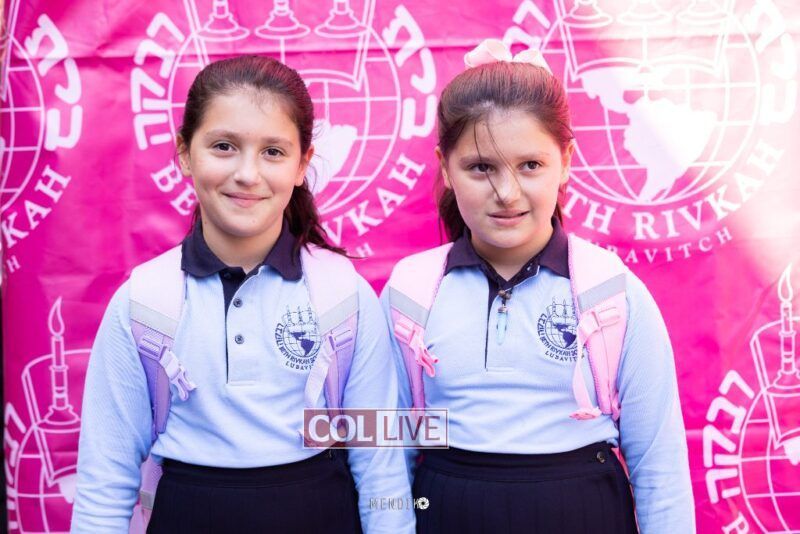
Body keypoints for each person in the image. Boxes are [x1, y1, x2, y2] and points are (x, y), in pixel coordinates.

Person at [71, 55, 414, 533]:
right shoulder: (143, 300)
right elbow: (104, 483)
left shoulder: (344, 295)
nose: (248, 174)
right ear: (185, 153)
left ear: (302, 164)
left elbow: (381, 468)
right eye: (224, 146)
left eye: (273, 151)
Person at [381, 40, 695, 533]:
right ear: (445, 167)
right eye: (480, 167)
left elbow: (661, 469)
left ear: (565, 160)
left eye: (530, 165)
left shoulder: (612, 291)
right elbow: (388, 454)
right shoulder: (412, 290)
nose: (507, 193)